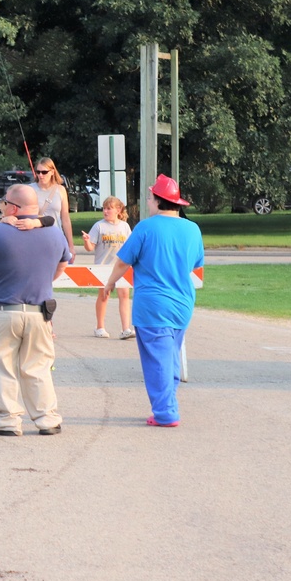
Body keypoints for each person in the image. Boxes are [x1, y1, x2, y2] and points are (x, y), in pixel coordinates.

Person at [0, 184, 71, 436]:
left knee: (3, 366)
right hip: (39, 312)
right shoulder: (54, 234)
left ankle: (8, 421)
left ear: (13, 207)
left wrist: (3, 226)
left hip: (3, 310)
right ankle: (46, 419)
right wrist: (44, 280)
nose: (2, 206)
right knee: (38, 367)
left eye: (4, 202)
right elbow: (63, 263)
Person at [103, 175, 203, 428]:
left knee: (156, 360)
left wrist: (111, 282)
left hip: (153, 305)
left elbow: (124, 260)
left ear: (159, 201)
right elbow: (195, 263)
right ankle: (166, 404)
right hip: (182, 303)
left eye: (150, 197)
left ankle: (166, 412)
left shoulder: (146, 228)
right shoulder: (192, 229)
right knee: (169, 356)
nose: (148, 201)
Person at [81, 196, 134, 339]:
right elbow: (90, 247)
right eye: (104, 208)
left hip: (121, 266)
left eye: (109, 208)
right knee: (104, 296)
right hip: (103, 267)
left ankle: (126, 329)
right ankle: (100, 327)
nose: (105, 211)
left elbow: (130, 246)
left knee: (124, 295)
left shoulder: (125, 226)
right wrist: (87, 241)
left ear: (118, 210)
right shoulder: (99, 226)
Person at [31, 158, 76, 262]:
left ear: (52, 172)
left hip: (56, 238)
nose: (40, 175)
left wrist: (71, 246)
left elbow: (65, 218)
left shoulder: (60, 190)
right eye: (38, 172)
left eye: (44, 172)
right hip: (36, 239)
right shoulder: (30, 189)